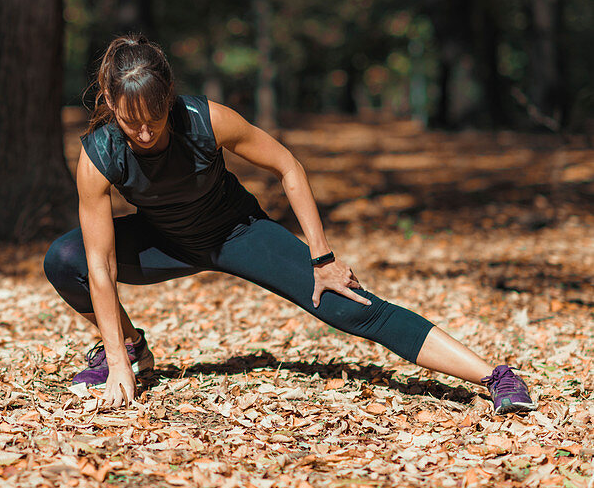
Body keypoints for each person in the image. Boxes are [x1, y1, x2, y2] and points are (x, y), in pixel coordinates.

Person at [44, 35, 534, 414]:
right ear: (109, 102)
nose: (146, 133)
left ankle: (494, 377)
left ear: (169, 96)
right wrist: (117, 359)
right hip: (163, 242)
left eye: (155, 118)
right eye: (133, 122)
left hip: (237, 233)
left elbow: (288, 167)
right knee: (64, 260)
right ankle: (131, 351)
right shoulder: (99, 156)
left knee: (351, 308)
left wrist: (322, 257)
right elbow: (101, 265)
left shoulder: (206, 120)